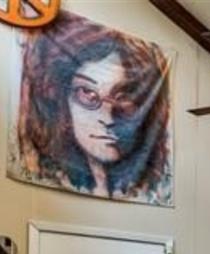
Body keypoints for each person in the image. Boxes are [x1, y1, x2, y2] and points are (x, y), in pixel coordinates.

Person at [12, 12, 172, 205]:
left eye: (122, 98)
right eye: (87, 94)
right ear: (62, 100)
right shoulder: (53, 174)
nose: (108, 118)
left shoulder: (148, 186)